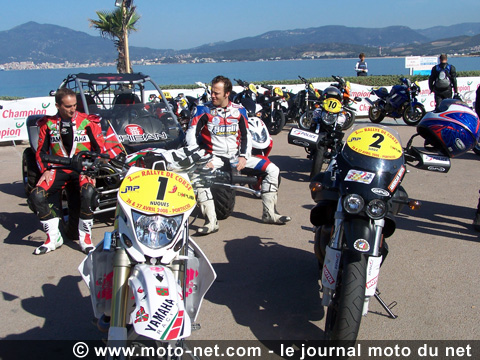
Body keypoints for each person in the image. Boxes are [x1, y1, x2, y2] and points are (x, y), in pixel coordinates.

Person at [186, 75, 291, 235]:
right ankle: (211, 222)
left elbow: (246, 135)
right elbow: (191, 136)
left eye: (216, 93)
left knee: (272, 170)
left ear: (227, 93)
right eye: (212, 92)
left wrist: (244, 156)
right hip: (214, 158)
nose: (212, 96)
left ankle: (270, 214)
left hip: (237, 157)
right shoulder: (202, 110)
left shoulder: (239, 110)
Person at [29, 88, 106, 255]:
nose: (73, 109)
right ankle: (53, 238)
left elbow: (100, 149)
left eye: (75, 105)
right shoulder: (47, 124)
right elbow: (40, 152)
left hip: (83, 168)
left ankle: (85, 238)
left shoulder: (88, 121)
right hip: (57, 168)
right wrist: (44, 170)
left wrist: (91, 168)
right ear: (57, 105)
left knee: (88, 193)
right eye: (68, 106)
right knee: (37, 195)